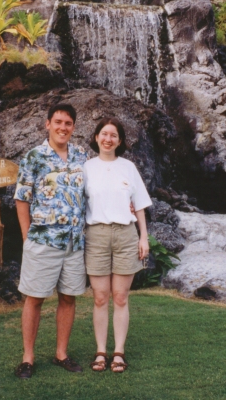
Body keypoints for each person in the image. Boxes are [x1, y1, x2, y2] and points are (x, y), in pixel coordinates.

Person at [13, 103, 88, 379]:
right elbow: (22, 198)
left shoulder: (81, 155)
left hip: (74, 242)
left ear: (74, 127)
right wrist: (26, 237)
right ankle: (28, 358)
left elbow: (92, 192)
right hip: (43, 240)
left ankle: (61, 354)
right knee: (34, 298)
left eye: (68, 123)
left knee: (68, 298)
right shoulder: (34, 157)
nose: (62, 127)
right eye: (58, 122)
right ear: (47, 124)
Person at [83, 117, 152, 373]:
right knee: (100, 298)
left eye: (113, 135)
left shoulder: (129, 168)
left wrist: (143, 237)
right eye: (104, 134)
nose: (108, 139)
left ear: (120, 140)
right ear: (96, 137)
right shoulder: (86, 168)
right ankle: (101, 352)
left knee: (120, 297)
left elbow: (141, 205)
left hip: (125, 235)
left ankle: (119, 352)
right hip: (96, 235)